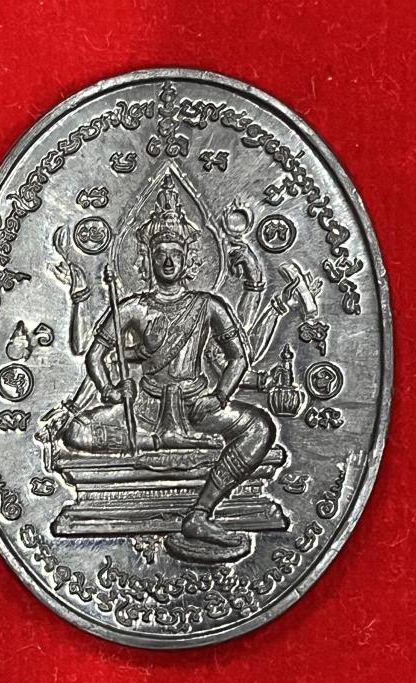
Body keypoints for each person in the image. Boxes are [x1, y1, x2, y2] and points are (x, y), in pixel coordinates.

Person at [62, 175, 276, 549]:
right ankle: (159, 440)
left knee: (259, 429)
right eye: (159, 253)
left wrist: (220, 396)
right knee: (75, 432)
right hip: (145, 407)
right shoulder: (132, 308)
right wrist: (110, 389)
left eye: (175, 253)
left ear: (188, 259)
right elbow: (96, 354)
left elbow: (239, 357)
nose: (167, 260)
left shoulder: (208, 305)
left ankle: (201, 513)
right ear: (147, 260)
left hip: (196, 406)